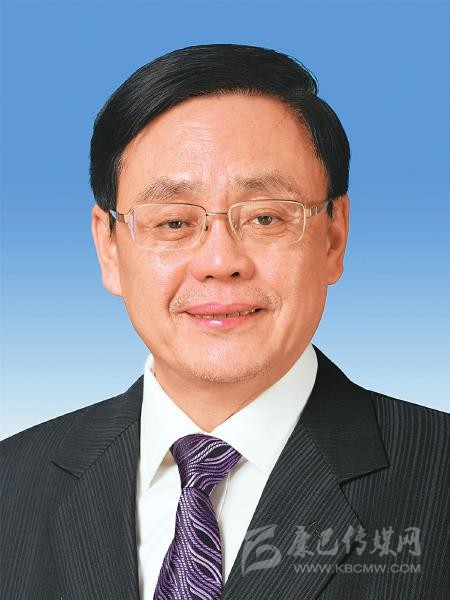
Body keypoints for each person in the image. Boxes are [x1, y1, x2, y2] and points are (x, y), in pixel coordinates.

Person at [1, 44, 448, 600]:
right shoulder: (11, 485)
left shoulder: (437, 474)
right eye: (172, 222)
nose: (220, 261)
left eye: (265, 217)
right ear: (109, 247)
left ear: (334, 238)